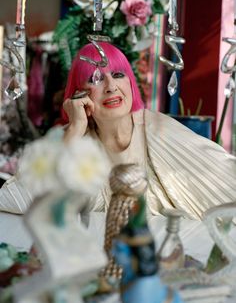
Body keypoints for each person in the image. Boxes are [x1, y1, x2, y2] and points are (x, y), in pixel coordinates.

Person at [0, 41, 236, 220]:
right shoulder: (78, 143)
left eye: (118, 75)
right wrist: (75, 130)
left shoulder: (159, 130)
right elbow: (15, 200)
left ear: (130, 83)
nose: (111, 86)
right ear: (78, 95)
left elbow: (225, 177)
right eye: (95, 79)